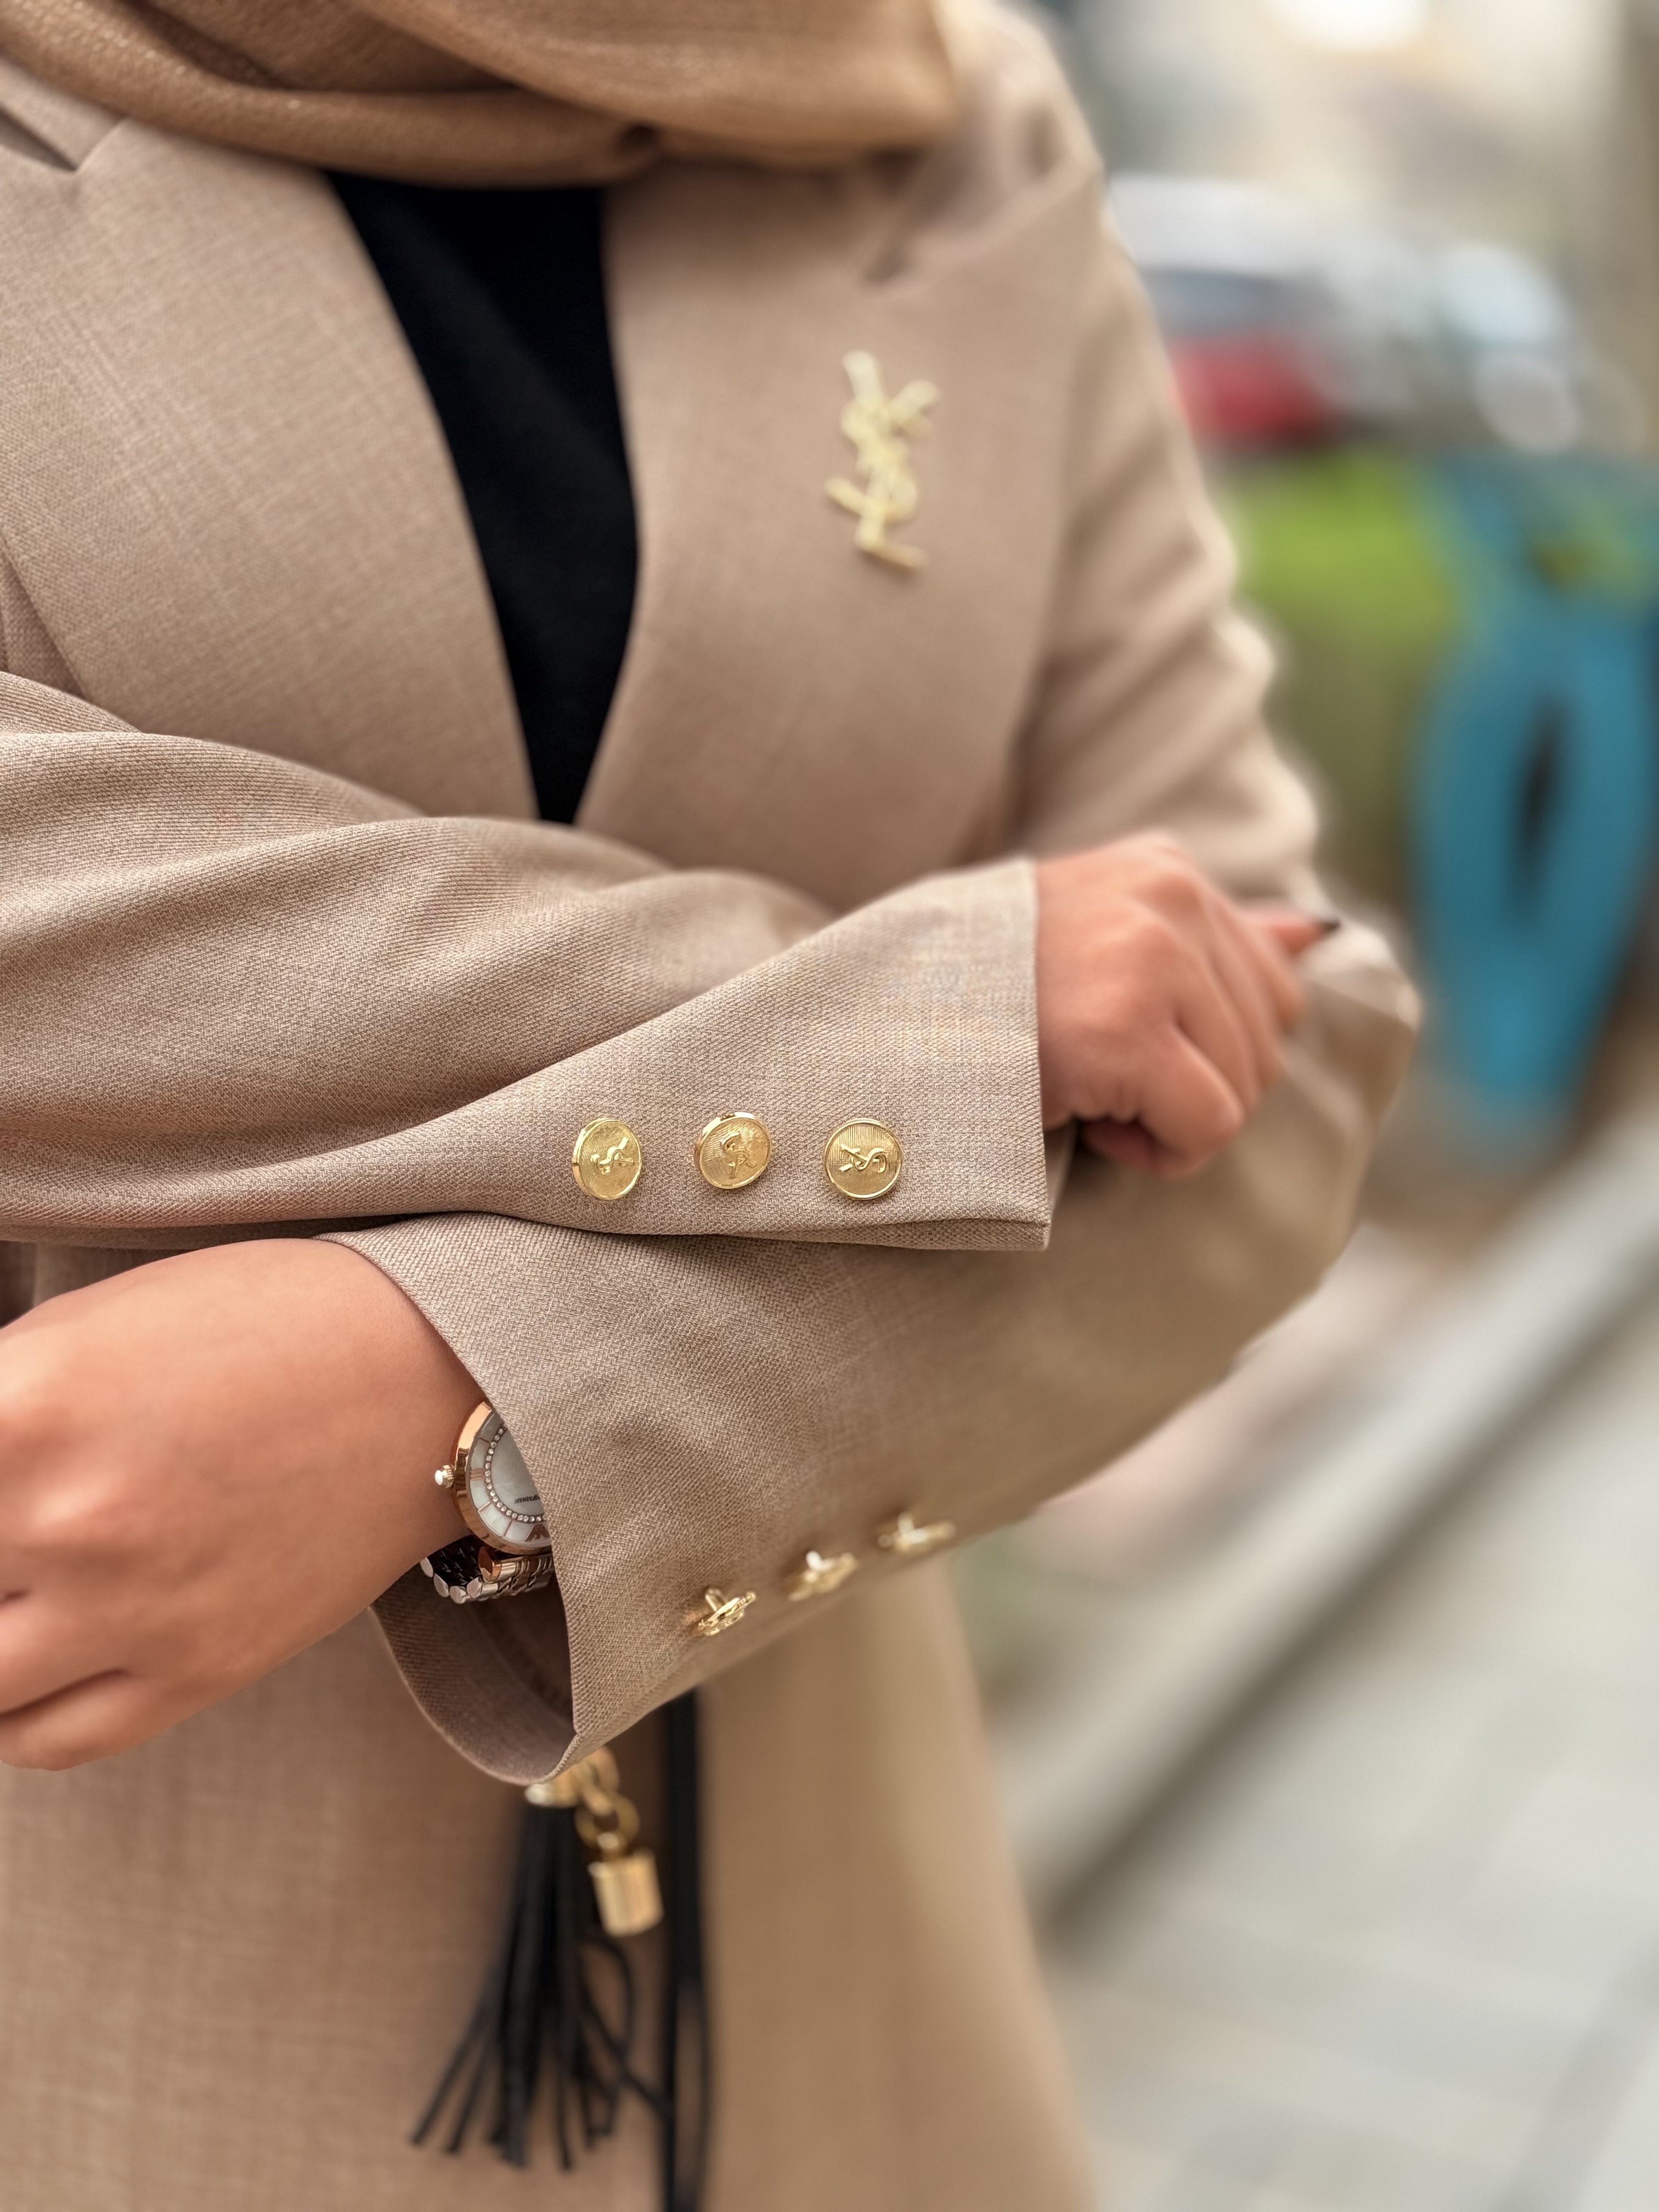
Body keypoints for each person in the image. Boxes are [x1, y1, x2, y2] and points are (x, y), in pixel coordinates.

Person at [0, 3, 1418, 2208]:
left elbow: (1272, 1057)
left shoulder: (939, 114)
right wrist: (935, 1013)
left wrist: (482, 1403)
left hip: (834, 1992)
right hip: (108, 1992)